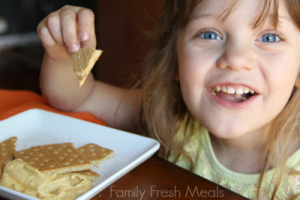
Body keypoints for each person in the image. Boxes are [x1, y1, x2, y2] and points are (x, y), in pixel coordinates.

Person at [37, 0, 300, 199]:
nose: (236, 59)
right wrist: (64, 56)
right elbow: (76, 98)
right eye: (209, 34)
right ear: (174, 59)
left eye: (270, 37)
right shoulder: (168, 116)